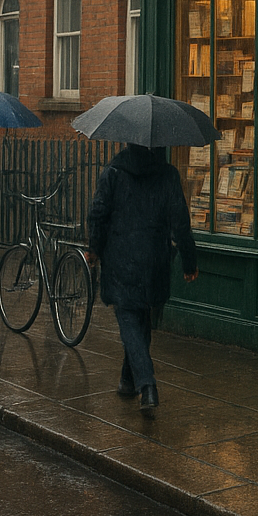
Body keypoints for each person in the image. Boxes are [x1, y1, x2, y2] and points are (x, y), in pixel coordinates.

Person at [87, 143, 198, 416]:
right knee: (142, 316)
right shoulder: (167, 174)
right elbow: (180, 220)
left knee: (129, 319)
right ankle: (127, 380)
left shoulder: (113, 172)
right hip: (154, 258)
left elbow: (98, 213)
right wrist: (189, 260)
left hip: (121, 258)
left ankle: (147, 385)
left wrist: (94, 249)